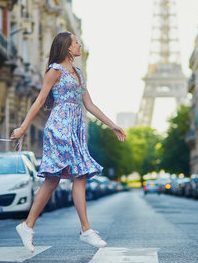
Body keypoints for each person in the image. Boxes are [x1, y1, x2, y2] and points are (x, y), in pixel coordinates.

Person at [10, 32, 127, 253]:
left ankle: (28, 226)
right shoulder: (55, 71)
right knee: (75, 175)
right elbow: (40, 101)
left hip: (76, 129)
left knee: (57, 180)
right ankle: (85, 229)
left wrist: (112, 125)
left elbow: (90, 105)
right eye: (76, 42)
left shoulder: (79, 73)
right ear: (66, 47)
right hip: (59, 128)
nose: (80, 44)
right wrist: (23, 127)